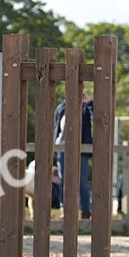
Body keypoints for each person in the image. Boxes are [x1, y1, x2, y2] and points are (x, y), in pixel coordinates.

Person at [54, 88, 93, 219]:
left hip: (81, 148)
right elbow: (56, 127)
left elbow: (96, 118)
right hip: (62, 147)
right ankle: (64, 209)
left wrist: (88, 103)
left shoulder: (84, 108)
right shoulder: (62, 107)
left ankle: (85, 210)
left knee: (82, 181)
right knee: (64, 180)